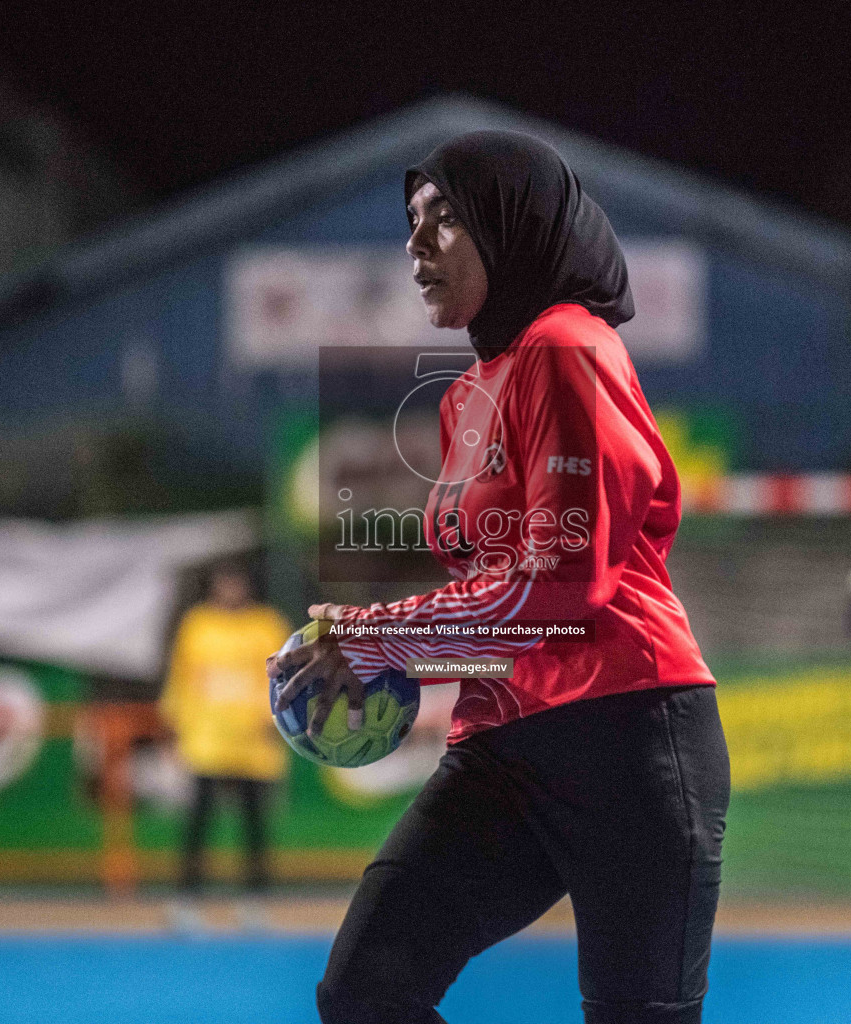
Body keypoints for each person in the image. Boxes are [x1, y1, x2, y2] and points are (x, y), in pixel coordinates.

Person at [271, 130, 729, 1024]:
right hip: (507, 743)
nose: (416, 243)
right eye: (411, 221)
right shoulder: (469, 390)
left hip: (628, 738)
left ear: (509, 227)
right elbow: (499, 586)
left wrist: (377, 638)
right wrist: (371, 642)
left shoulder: (570, 351)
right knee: (365, 993)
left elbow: (560, 587)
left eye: (443, 218)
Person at [160, 562, 291, 894]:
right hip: (206, 742)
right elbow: (180, 677)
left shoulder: (267, 625)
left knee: (254, 825)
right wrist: (174, 726)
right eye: (225, 581)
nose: (231, 588)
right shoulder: (197, 624)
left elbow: (285, 678)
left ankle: (256, 898)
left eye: (238, 581)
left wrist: (278, 721)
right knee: (198, 823)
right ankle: (187, 897)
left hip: (254, 742)